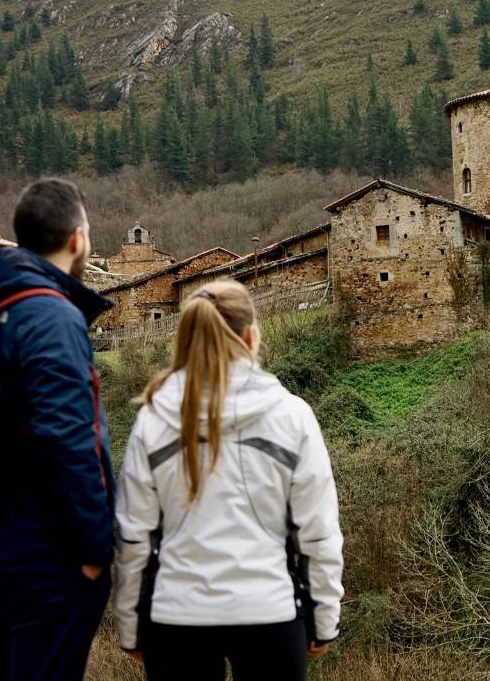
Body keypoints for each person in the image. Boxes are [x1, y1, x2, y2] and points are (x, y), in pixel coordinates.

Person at [113, 279, 344, 680]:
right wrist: (323, 618)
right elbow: (317, 533)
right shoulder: (293, 416)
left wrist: (132, 628)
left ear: (183, 341)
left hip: (176, 618)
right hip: (270, 613)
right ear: (252, 335)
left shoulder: (153, 419)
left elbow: (134, 537)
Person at [0, 178, 115, 680]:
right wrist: (94, 552)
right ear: (77, 238)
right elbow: (68, 438)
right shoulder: (49, 316)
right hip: (47, 552)